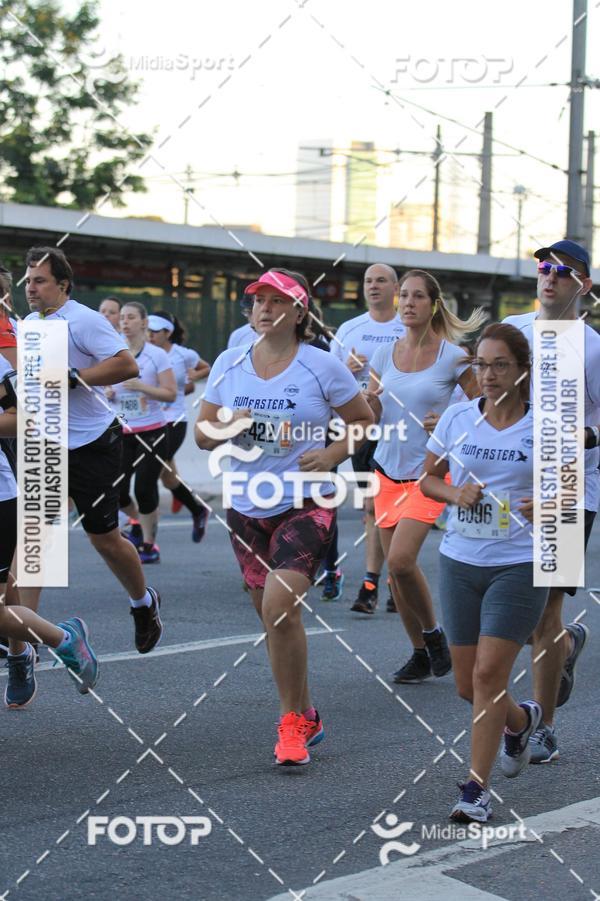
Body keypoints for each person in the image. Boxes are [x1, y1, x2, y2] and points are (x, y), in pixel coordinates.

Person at [196, 268, 373, 766]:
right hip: (247, 505)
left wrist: (333, 453)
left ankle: (290, 724)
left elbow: (363, 421)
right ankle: (307, 710)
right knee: (274, 619)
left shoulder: (322, 366)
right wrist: (233, 422)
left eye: (277, 302)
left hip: (306, 500)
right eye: (258, 301)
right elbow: (203, 434)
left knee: (278, 607)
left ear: (299, 312)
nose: (265, 309)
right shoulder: (231, 363)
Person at [421, 323, 547, 822]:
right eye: (481, 365)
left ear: (522, 371)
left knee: (490, 673)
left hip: (519, 563)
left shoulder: (545, 425)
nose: (489, 375)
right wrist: (455, 494)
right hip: (460, 559)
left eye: (500, 365)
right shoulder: (456, 418)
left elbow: (575, 489)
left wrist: (552, 503)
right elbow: (427, 480)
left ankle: (475, 789)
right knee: (468, 686)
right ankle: (519, 722)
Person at [23, 248, 164, 657]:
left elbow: (125, 366)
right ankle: (24, 645)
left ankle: (143, 603)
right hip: (46, 444)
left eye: (40, 280)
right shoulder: (31, 324)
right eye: (28, 281)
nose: (31, 288)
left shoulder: (82, 320)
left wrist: (74, 377)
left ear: (62, 285)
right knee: (36, 540)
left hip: (92, 443)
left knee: (103, 539)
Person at [504, 240, 599, 764]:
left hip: (567, 486)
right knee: (505, 609)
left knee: (543, 610)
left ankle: (543, 725)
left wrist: (587, 437)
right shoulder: (513, 332)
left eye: (563, 271)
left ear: (582, 285)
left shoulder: (593, 347)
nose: (550, 277)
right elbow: (482, 391)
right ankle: (565, 644)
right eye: (544, 268)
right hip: (509, 483)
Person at [367, 269, 483, 684]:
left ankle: (434, 636)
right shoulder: (384, 354)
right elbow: (374, 413)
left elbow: (482, 412)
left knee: (399, 561)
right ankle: (420, 652)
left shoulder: (452, 356)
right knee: (397, 579)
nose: (408, 303)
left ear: (433, 304)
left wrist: (449, 421)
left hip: (427, 473)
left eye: (418, 296)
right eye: (404, 296)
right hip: (385, 469)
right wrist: (365, 403)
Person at [0, 326, 99, 706]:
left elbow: (28, 417)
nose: (32, 288)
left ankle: (39, 645)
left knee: (30, 560)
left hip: (28, 466)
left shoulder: (38, 336)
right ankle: (33, 647)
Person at [331, 263, 406, 614]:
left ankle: (387, 580)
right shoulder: (350, 329)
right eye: (368, 281)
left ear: (396, 288)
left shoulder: (408, 325)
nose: (374, 287)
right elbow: (327, 379)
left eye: (381, 281)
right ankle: (376, 582)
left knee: (393, 507)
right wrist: (346, 371)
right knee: (372, 505)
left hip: (399, 427)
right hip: (362, 425)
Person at [108, 302, 176, 563]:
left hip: (153, 431)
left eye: (131, 317)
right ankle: (135, 525)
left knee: (145, 488)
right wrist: (107, 392)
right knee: (120, 490)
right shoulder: (113, 353)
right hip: (122, 431)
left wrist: (142, 387)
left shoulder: (156, 355)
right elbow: (102, 386)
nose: (125, 322)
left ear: (144, 323)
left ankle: (149, 544)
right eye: (122, 317)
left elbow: (169, 393)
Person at [147, 309, 211, 541]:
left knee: (150, 473)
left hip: (174, 422)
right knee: (168, 477)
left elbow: (207, 367)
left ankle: (146, 538)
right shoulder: (145, 354)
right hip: (149, 421)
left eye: (155, 331)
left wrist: (193, 378)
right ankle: (197, 509)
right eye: (148, 331)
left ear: (168, 332)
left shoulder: (183, 354)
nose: (150, 335)